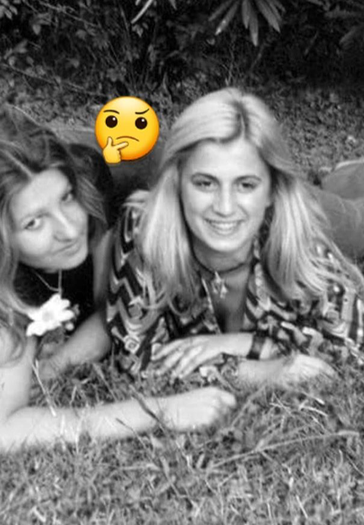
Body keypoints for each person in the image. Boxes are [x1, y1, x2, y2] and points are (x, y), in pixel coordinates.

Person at [0, 108, 235, 451]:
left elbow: (113, 304)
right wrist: (159, 410)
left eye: (65, 197)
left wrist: (57, 363)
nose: (69, 229)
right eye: (34, 222)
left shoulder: (87, 190)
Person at [107, 88, 364, 389]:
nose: (225, 207)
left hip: (324, 212)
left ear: (272, 190)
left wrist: (242, 343)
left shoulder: (296, 231)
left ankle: (348, 172)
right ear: (177, 183)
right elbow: (135, 362)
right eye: (205, 183)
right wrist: (259, 371)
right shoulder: (147, 227)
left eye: (246, 184)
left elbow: (353, 351)